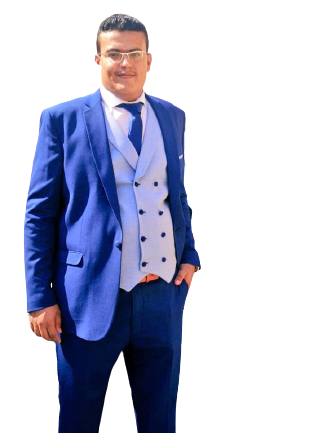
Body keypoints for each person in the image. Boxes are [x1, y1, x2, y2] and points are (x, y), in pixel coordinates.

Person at [24, 13, 200, 433]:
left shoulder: (172, 116)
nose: (125, 63)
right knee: (80, 419)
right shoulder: (62, 118)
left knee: (160, 419)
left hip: (162, 295)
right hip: (87, 298)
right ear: (98, 59)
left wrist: (190, 255)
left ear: (149, 60)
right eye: (114, 53)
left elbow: (175, 193)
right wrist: (38, 297)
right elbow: (39, 212)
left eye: (134, 53)